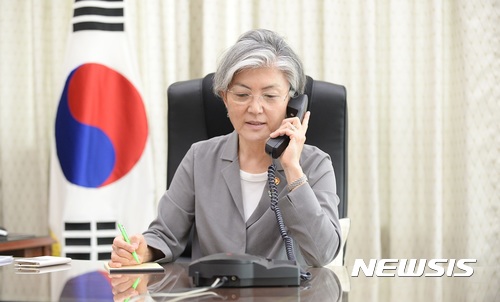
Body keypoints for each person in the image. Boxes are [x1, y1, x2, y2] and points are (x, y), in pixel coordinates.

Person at [109, 29, 341, 268]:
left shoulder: (315, 164)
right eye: (242, 94)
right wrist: (142, 250)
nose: (255, 108)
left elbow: (323, 254)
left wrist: (292, 169)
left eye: (270, 96)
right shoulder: (200, 158)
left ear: (292, 104)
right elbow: (164, 235)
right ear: (225, 98)